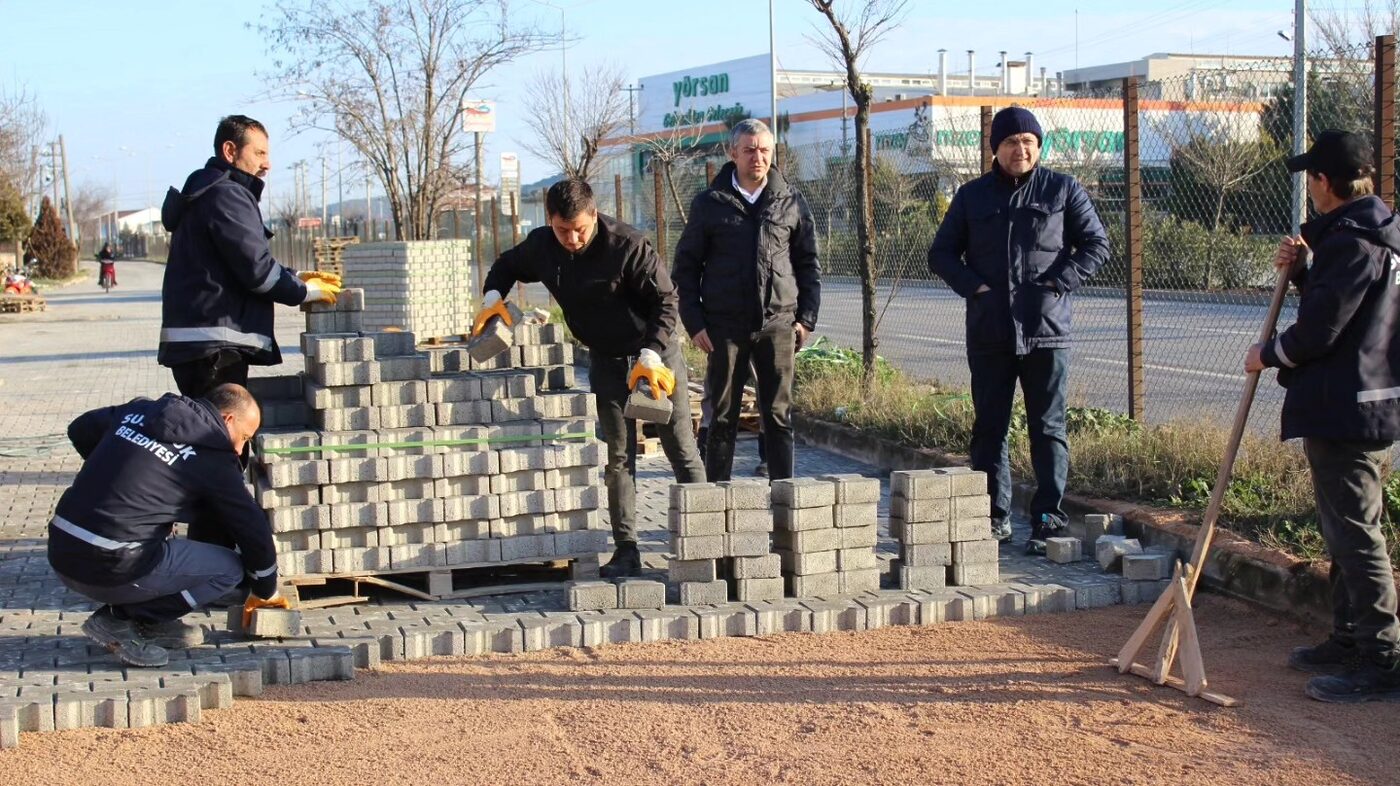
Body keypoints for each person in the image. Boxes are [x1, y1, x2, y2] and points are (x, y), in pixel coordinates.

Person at [473, 179, 706, 578]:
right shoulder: (543, 246)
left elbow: (667, 300)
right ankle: (627, 549)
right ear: (551, 221)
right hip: (608, 360)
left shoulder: (627, 246)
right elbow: (506, 266)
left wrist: (651, 351)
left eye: (580, 228)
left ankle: (705, 539)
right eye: (564, 230)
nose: (574, 238)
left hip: (653, 358)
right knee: (618, 458)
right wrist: (492, 297)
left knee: (680, 448)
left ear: (594, 215)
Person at [1245, 129, 1400, 703]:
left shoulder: (1356, 241)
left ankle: (1382, 659)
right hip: (1366, 400)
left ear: (1324, 183)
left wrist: (1269, 353)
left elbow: (1323, 329)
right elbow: (1347, 306)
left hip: (1349, 406)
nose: (1309, 187)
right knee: (1344, 530)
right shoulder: (1372, 233)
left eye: (1311, 177)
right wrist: (1308, 272)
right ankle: (1347, 637)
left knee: (1357, 537)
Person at [928, 106, 1110, 554]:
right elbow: (942, 254)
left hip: (1046, 330)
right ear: (996, 149)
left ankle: (1048, 517)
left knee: (1048, 427)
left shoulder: (1063, 189)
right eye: (1011, 142)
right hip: (990, 331)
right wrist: (977, 288)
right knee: (990, 428)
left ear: (1039, 146)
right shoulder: (972, 196)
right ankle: (994, 516)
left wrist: (1059, 282)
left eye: (1028, 141)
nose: (1020, 149)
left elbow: (1096, 243)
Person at [47, 383, 289, 668]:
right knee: (229, 570)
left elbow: (80, 428)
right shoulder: (212, 458)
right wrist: (265, 588)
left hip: (61, 552)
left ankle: (150, 623)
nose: (239, 449)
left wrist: (116, 474)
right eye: (244, 436)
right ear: (228, 420)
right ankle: (122, 620)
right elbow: (251, 528)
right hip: (111, 565)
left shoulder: (140, 411)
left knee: (159, 546)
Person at [673, 118, 821, 482]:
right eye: (750, 150)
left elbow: (808, 264)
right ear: (733, 153)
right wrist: (694, 323)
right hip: (725, 327)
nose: (758, 157)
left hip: (778, 325)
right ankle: (715, 501)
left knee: (778, 415)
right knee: (722, 415)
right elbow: (686, 267)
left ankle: (783, 497)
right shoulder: (710, 204)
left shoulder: (790, 201)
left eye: (765, 150)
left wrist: (806, 319)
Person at [159, 114, 342, 398]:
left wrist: (295, 275)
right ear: (230, 151)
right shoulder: (226, 195)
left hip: (201, 345)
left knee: (207, 435)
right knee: (220, 436)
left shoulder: (208, 191)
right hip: (215, 348)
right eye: (259, 153)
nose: (267, 164)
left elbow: (237, 262)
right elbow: (258, 272)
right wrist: (304, 291)